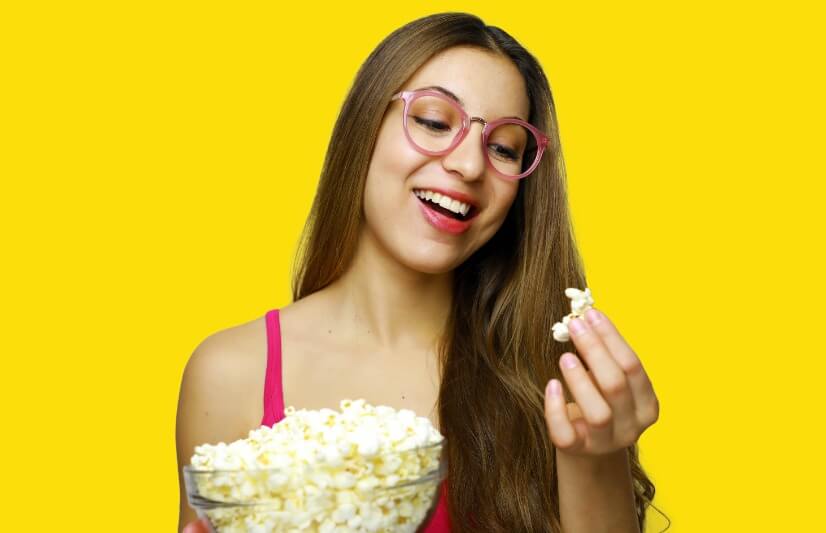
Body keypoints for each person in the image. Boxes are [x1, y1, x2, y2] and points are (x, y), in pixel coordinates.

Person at [176, 12, 659, 532]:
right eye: (433, 122)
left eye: (503, 148)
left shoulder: (551, 377)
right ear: (365, 126)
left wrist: (594, 459)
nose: (470, 166)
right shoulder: (230, 374)